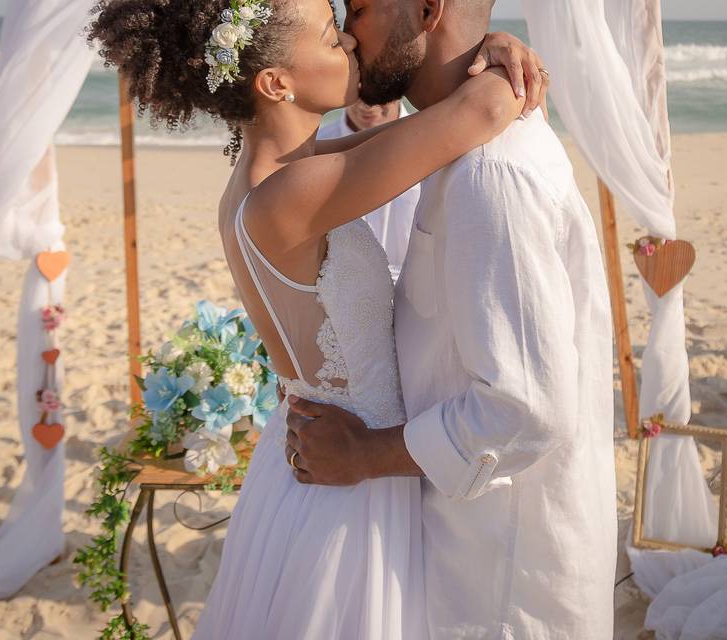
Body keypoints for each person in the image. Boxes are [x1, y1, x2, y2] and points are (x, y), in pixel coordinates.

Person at [87, 0, 546, 637]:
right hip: (350, 477)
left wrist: (487, 41)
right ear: (276, 82)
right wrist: (502, 59)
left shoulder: (279, 175)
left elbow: (423, 130)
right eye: (334, 38)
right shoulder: (287, 196)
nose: (354, 47)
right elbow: (483, 113)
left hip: (317, 459)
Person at [284, 0, 617, 637]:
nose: (349, 30)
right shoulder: (471, 139)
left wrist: (362, 455)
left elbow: (527, 408)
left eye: (359, 7)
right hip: (468, 545)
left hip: (501, 581)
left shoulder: (490, 175)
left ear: (429, 9)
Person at [318, 99, 417, 280]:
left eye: (377, 91)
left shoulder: (434, 142)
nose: (367, 105)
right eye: (358, 90)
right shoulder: (316, 148)